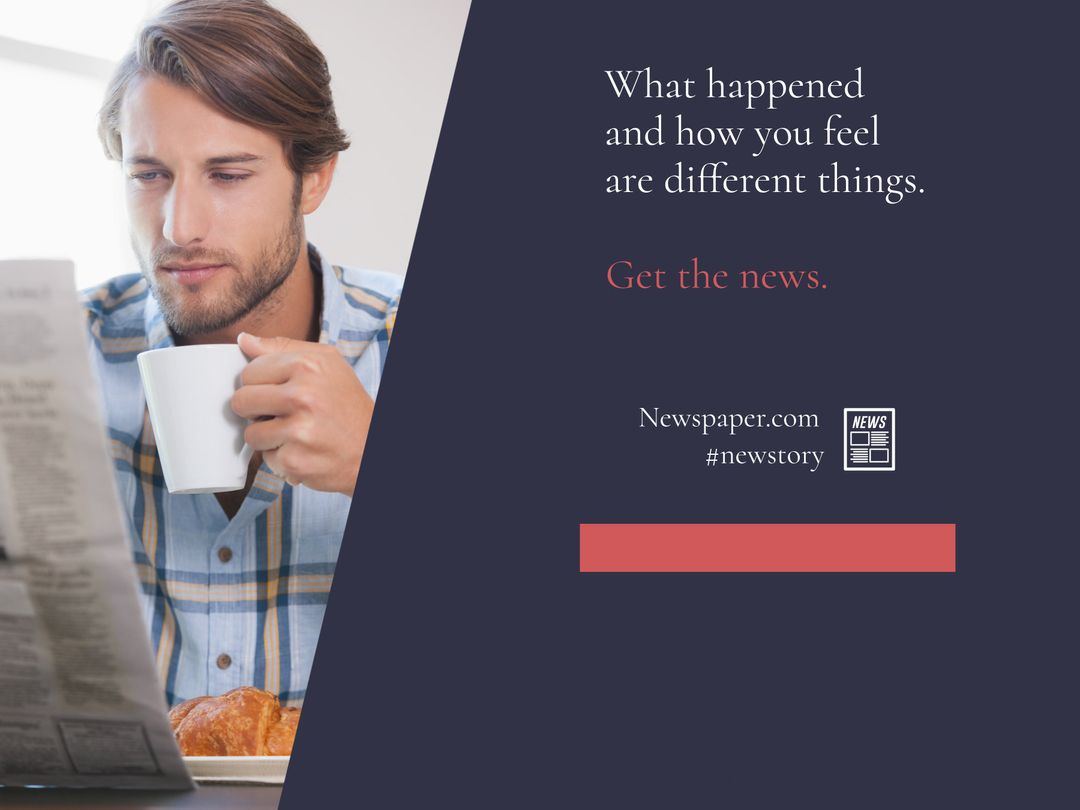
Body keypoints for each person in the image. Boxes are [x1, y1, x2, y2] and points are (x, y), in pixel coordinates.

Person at [82, 0, 402, 707]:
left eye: (227, 175)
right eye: (149, 175)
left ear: (313, 178)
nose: (179, 226)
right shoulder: (48, 359)